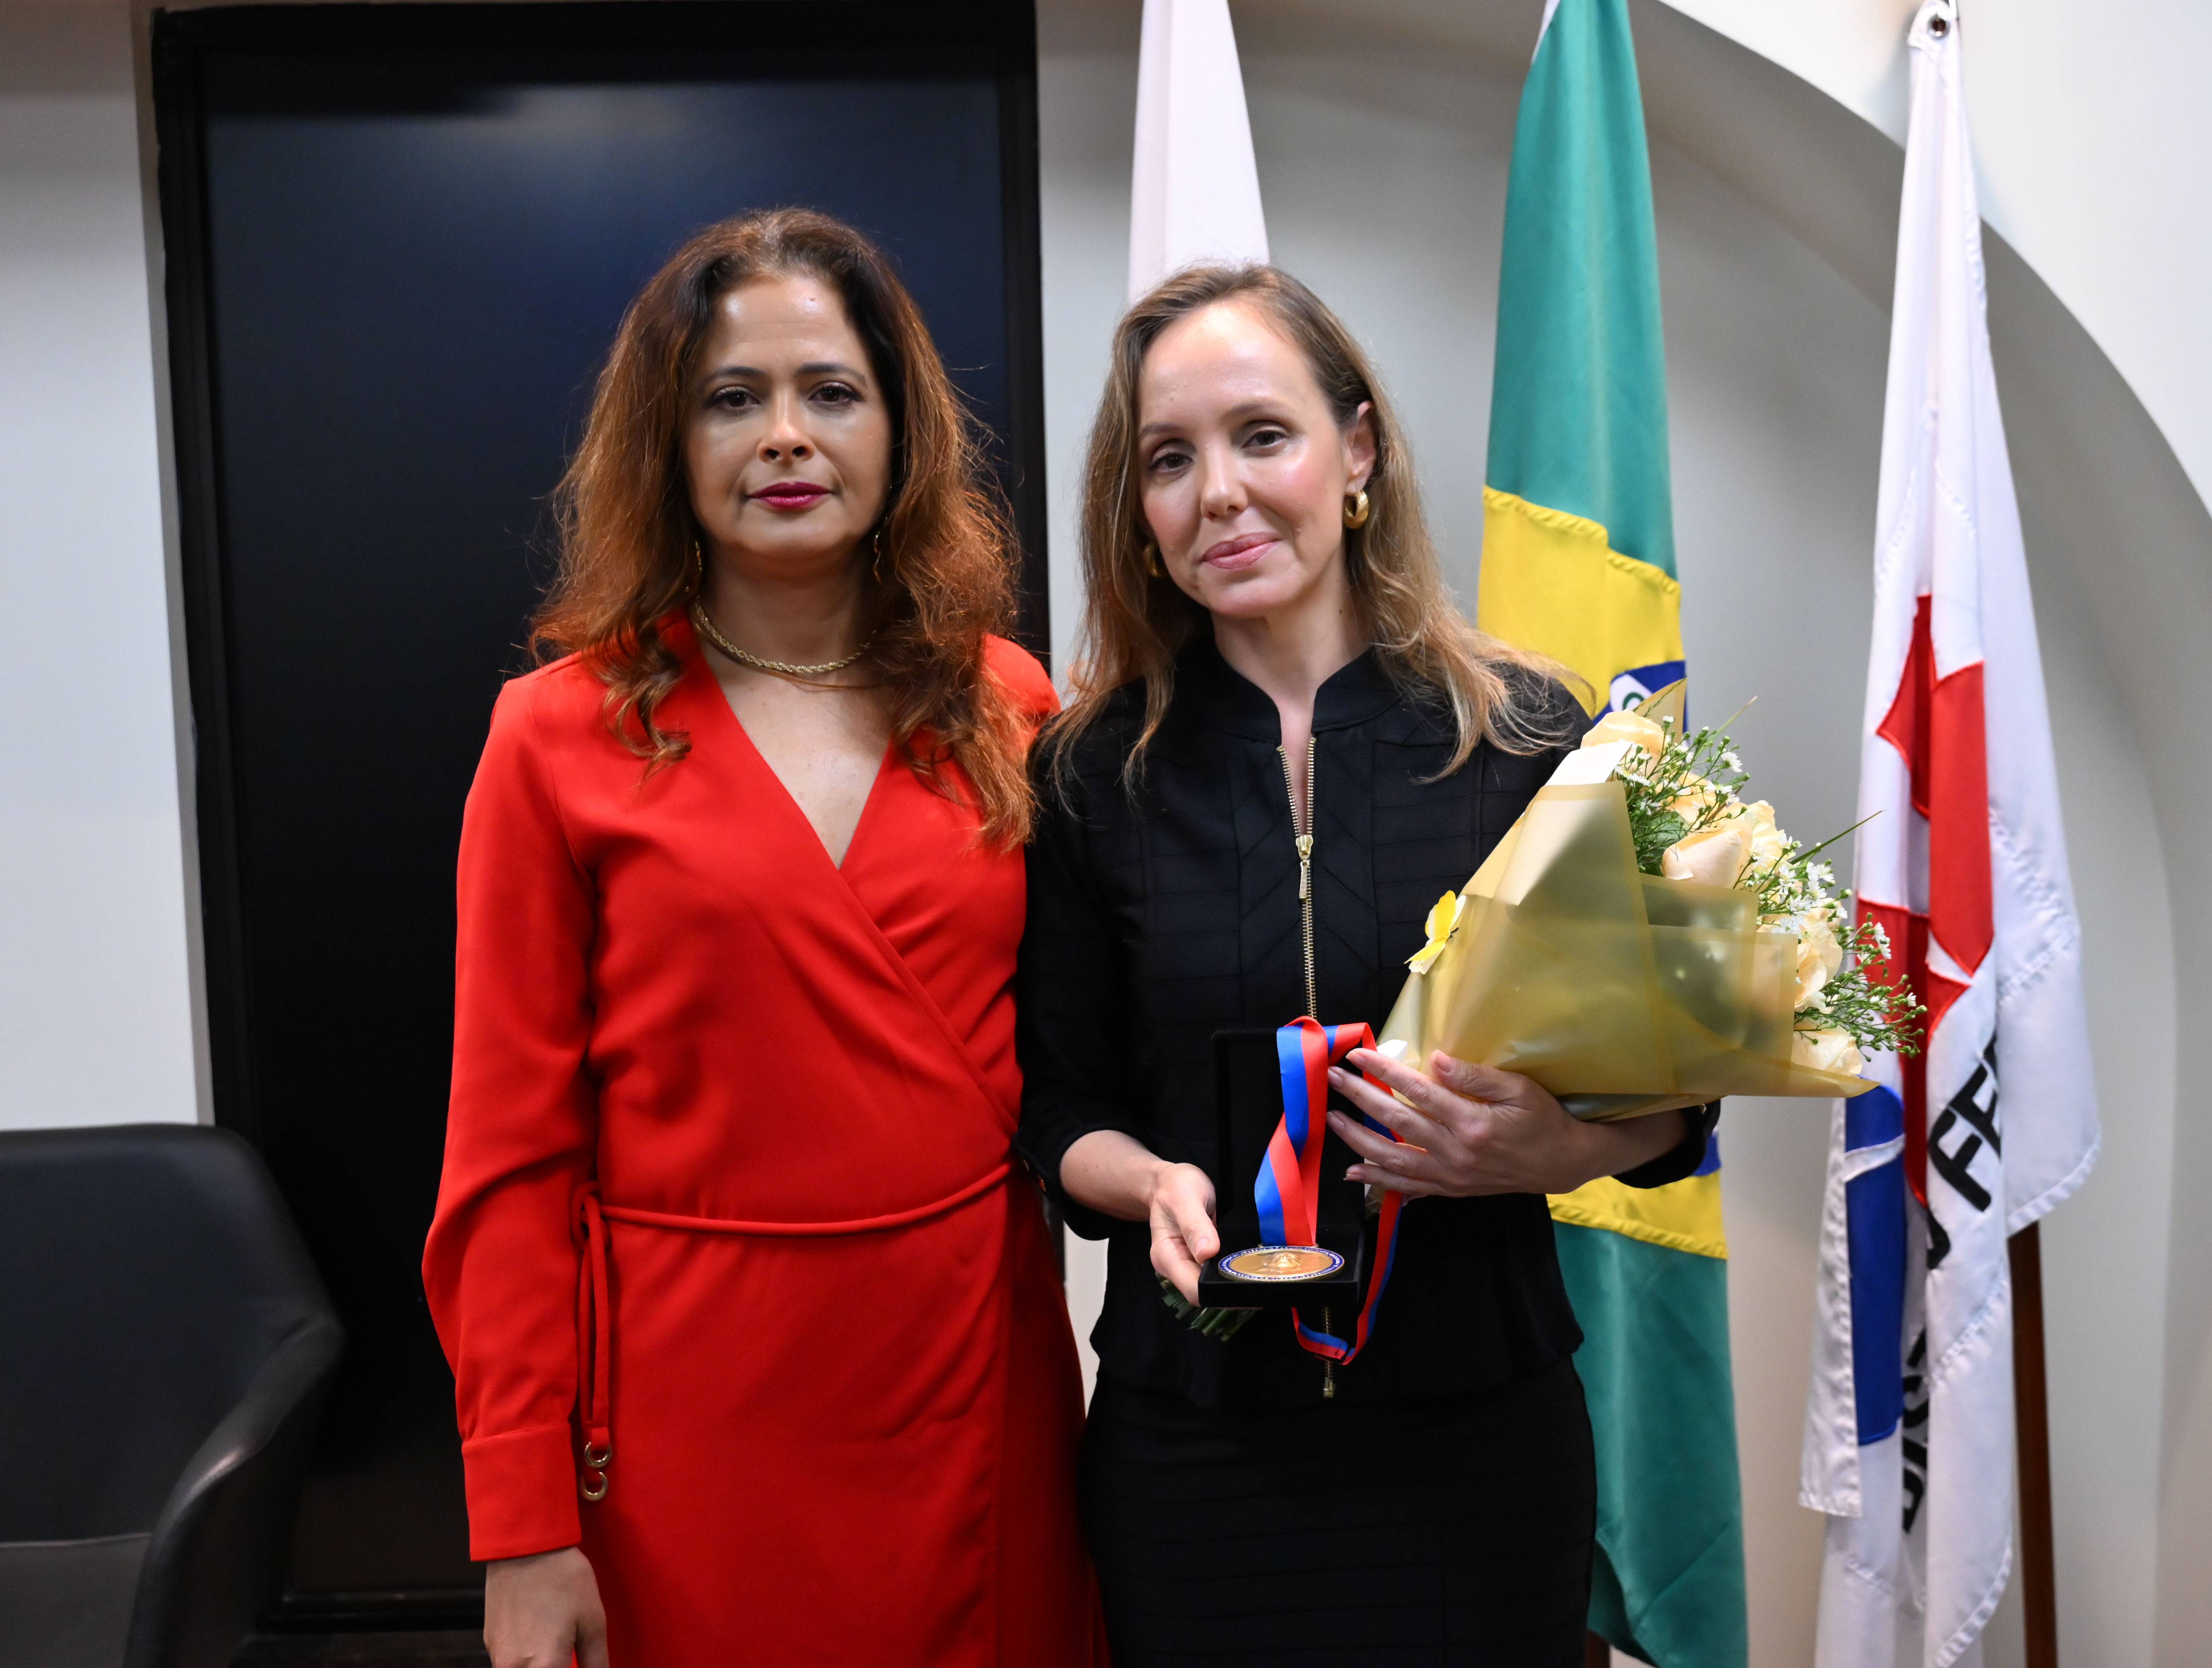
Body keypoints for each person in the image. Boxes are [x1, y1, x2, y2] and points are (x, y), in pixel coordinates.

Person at [1016, 264, 1722, 1668]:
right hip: (1196, 1448)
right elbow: (1060, 1114)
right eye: (1171, 458)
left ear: (1359, 452)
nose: (1217, 491)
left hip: (1477, 1432)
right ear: (1139, 511)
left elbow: (1672, 1107)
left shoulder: (1527, 732)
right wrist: (1148, 1180)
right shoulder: (1089, 773)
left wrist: (1549, 1147)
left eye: (1261, 435)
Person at [424, 209, 1099, 1668]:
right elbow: (507, 1166)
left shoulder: (1010, 706)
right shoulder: (553, 740)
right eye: (734, 399)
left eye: (830, 392)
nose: (784, 436)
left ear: (899, 428)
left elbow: (1097, 1052)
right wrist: (523, 1525)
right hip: (693, 1421)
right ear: (667, 442)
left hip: (973, 1376)